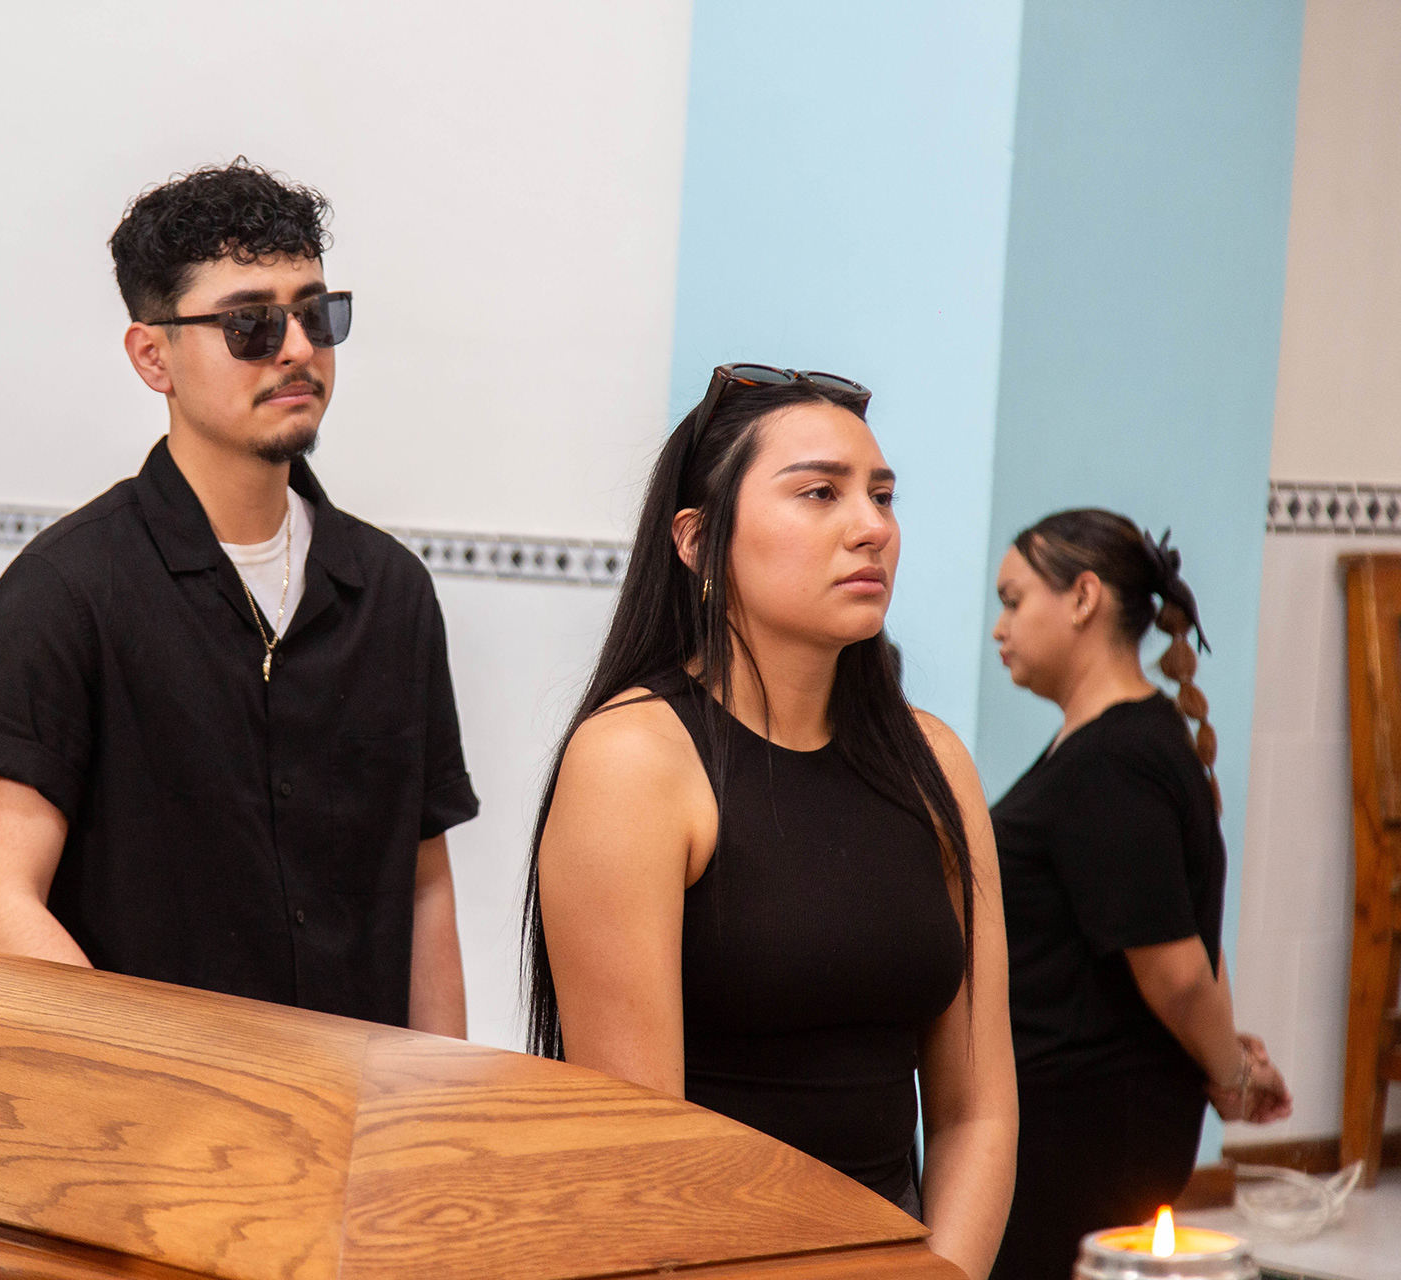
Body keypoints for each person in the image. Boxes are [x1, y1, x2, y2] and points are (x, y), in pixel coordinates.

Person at [0, 160, 478, 1034]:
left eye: (316, 314)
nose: (297, 348)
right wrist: (171, 1077)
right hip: (143, 1103)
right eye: (249, 324)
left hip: (357, 1104)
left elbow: (422, 890)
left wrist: (440, 1099)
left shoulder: (389, 592)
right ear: (153, 356)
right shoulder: (65, 594)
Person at [524, 365, 1017, 1279]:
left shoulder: (934, 763)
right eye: (820, 493)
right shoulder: (637, 760)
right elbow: (639, 1150)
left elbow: (976, 1113)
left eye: (881, 496)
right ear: (699, 541)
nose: (871, 527)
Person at [987, 509, 1291, 1279]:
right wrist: (1227, 1059)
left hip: (1085, 1126)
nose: (999, 628)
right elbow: (1185, 932)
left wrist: (1232, 1076)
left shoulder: (1113, 759)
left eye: (1014, 601)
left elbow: (1180, 973)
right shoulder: (1119, 741)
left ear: (1083, 597)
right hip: (1079, 1115)